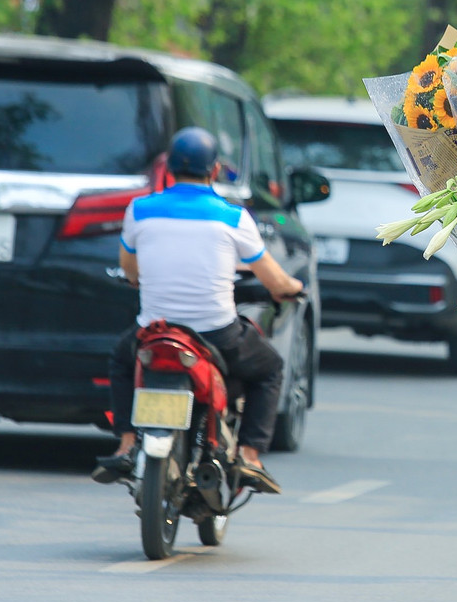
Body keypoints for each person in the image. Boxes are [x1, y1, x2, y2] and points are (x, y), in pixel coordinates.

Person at [92, 127, 304, 493]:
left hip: (155, 331)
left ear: (169, 168)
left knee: (121, 360)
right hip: (216, 335)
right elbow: (275, 281)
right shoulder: (234, 217)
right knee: (270, 368)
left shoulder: (139, 210)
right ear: (216, 169)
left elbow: (130, 270)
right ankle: (251, 455)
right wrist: (292, 289)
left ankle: (127, 443)